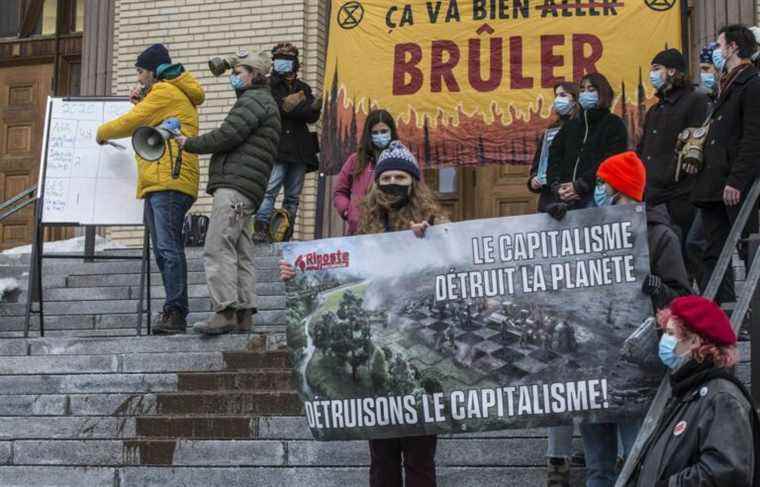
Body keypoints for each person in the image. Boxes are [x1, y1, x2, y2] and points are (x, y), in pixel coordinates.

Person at [281, 141, 445, 487]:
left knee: (419, 459)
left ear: (413, 182)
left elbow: (449, 269)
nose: (394, 183)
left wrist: (428, 239)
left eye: (402, 176)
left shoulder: (433, 223)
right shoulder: (364, 229)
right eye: (388, 177)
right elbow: (341, 272)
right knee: (381, 459)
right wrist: (297, 274)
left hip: (418, 352)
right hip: (377, 352)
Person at [566, 151, 691, 487]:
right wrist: (555, 223)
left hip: (638, 366)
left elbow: (682, 297)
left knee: (637, 459)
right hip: (592, 365)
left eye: (604, 183)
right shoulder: (587, 230)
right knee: (597, 467)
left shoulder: (660, 236)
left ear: (621, 189)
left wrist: (660, 290)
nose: (598, 189)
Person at [96, 44, 204, 334]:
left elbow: (134, 122)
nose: (139, 78)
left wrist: (102, 132)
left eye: (141, 72)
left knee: (168, 248)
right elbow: (148, 118)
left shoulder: (165, 92)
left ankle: (176, 312)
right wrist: (141, 102)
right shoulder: (167, 93)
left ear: (154, 71)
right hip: (164, 179)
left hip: (169, 179)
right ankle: (173, 308)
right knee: (163, 249)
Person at [176, 50, 281, 335]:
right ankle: (245, 313)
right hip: (249, 189)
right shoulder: (263, 101)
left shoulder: (254, 100)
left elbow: (227, 135)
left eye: (238, 73)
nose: (232, 78)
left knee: (218, 245)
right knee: (241, 248)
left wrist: (189, 143)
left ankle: (224, 311)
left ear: (254, 75)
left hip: (236, 185)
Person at [626, 295, 759, 487]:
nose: (664, 341)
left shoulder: (722, 398)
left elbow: (727, 472)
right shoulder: (688, 390)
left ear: (695, 342)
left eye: (671, 334)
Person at [687, 24, 760, 305]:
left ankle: (752, 314)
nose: (716, 52)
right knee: (711, 251)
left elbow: (753, 138)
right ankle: (722, 313)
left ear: (733, 48)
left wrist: (737, 180)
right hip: (713, 182)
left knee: (748, 248)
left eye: (719, 46)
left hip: (733, 184)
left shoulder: (751, 83)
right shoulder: (727, 83)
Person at [638, 49, 710, 285]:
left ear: (672, 71)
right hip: (654, 196)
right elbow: (643, 150)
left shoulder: (696, 100)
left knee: (693, 255)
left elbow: (698, 144)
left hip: (683, 195)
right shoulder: (655, 110)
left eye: (656, 69)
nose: (652, 74)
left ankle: (707, 305)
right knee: (667, 261)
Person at [253, 42, 322, 242]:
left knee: (293, 196)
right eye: (279, 59)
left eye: (288, 59)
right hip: (277, 147)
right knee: (269, 190)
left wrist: (307, 108)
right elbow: (277, 109)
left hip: (300, 149)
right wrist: (299, 107)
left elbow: (310, 116)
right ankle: (261, 228)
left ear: (295, 63)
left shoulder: (303, 87)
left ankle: (284, 231)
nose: (283, 63)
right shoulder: (267, 85)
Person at [546, 72, 628, 215]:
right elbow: (554, 155)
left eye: (591, 90)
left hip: (595, 198)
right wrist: (557, 186)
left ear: (602, 93)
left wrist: (580, 186)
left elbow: (611, 161)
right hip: (565, 201)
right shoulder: (572, 125)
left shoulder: (614, 124)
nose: (585, 94)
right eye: (582, 90)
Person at [333, 109, 398, 236]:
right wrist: (347, 211)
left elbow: (417, 190)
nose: (380, 136)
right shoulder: (355, 160)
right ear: (369, 134)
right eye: (375, 132)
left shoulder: (402, 158)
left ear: (392, 132)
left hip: (393, 231)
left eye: (384, 131)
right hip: (360, 231)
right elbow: (339, 192)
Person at [528, 81, 580, 215]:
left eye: (563, 95)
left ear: (575, 99)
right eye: (556, 96)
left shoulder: (585, 127)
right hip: (549, 201)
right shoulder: (551, 130)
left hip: (577, 199)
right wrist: (534, 180)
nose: (558, 99)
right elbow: (537, 165)